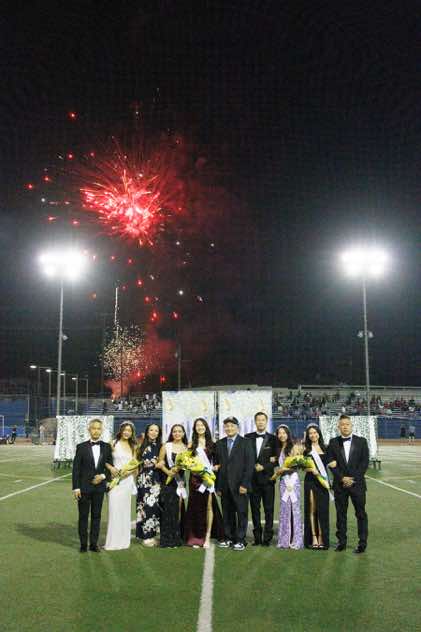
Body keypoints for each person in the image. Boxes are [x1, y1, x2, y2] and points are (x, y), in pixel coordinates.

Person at [327, 414, 369, 554]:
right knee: (341, 514)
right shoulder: (333, 442)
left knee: (361, 514)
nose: (345, 426)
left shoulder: (362, 441)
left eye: (347, 424)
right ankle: (342, 542)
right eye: (342, 424)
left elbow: (364, 463)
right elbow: (331, 463)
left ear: (351, 426)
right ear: (338, 427)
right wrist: (342, 478)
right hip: (340, 485)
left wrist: (352, 479)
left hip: (357, 485)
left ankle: (362, 543)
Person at [72, 419, 113, 553]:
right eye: (94, 428)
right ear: (89, 430)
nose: (96, 431)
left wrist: (103, 476)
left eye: (98, 428)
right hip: (83, 488)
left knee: (96, 516)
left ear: (102, 430)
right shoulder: (81, 447)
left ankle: (94, 544)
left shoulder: (106, 447)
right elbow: (76, 469)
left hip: (99, 488)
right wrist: (76, 488)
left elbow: (110, 467)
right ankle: (83, 544)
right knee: (83, 516)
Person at [214, 417, 254, 551]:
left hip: (240, 486)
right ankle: (229, 538)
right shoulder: (219, 444)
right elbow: (218, 466)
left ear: (237, 427)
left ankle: (240, 540)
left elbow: (249, 465)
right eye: (227, 426)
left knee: (242, 513)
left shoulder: (246, 442)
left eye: (232, 426)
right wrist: (218, 486)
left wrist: (245, 484)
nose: (229, 428)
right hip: (224, 486)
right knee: (227, 513)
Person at [184, 418, 224, 548]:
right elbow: (187, 463)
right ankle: (196, 537)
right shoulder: (191, 445)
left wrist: (215, 467)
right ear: (194, 428)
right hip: (195, 479)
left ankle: (207, 536)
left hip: (208, 478)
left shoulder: (213, 444)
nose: (200, 427)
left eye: (202, 425)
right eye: (197, 425)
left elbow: (218, 462)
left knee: (209, 506)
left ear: (206, 427)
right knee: (195, 507)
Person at [104, 422, 138, 551]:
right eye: (125, 430)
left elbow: (135, 464)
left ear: (132, 433)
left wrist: (127, 473)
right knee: (114, 510)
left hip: (127, 481)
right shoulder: (112, 443)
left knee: (124, 510)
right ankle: (112, 541)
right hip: (114, 481)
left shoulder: (134, 446)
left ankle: (123, 540)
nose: (127, 432)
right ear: (121, 430)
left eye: (129, 430)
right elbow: (105, 461)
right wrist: (112, 469)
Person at [245, 411, 277, 546]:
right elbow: (245, 457)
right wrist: (253, 466)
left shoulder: (273, 439)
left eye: (263, 420)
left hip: (268, 480)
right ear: (255, 421)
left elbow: (276, 460)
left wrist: (264, 467)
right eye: (258, 420)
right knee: (255, 510)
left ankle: (267, 538)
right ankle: (257, 538)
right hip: (252, 481)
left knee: (269, 510)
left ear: (266, 421)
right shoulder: (247, 437)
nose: (260, 422)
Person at [303, 424, 335, 550]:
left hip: (322, 481)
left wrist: (333, 463)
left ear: (319, 434)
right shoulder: (306, 450)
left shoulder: (326, 448)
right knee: (312, 509)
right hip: (310, 481)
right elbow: (303, 467)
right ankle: (313, 537)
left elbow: (331, 463)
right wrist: (310, 469)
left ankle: (322, 537)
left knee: (322, 509)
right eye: (310, 433)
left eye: (315, 432)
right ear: (308, 436)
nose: (313, 435)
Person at [156, 424, 188, 547]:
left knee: (177, 510)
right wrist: (168, 472)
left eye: (179, 431)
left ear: (183, 433)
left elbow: (189, 465)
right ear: (171, 433)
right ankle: (166, 539)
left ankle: (176, 538)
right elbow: (160, 463)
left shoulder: (186, 448)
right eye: (175, 431)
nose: (177, 433)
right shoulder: (166, 446)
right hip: (167, 481)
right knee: (167, 509)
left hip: (180, 482)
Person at [274, 424, 303, 550]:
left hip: (293, 481)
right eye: (279, 433)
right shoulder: (278, 448)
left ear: (288, 434)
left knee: (294, 508)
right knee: (284, 509)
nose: (281, 435)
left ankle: (295, 539)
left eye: (284, 433)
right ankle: (285, 539)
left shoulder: (294, 447)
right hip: (283, 482)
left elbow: (298, 465)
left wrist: (283, 469)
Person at [136, 423, 162, 547]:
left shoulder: (161, 446)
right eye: (151, 430)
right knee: (144, 507)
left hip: (156, 480)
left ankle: (151, 535)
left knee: (153, 508)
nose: (153, 432)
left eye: (156, 430)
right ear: (147, 432)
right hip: (143, 480)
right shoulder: (140, 445)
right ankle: (145, 536)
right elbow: (136, 463)